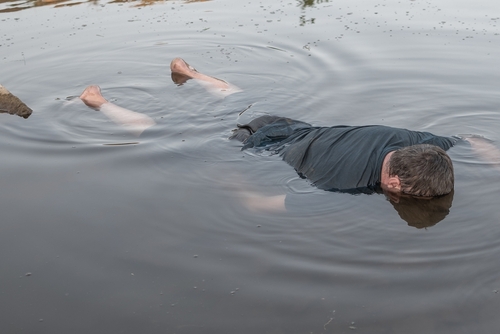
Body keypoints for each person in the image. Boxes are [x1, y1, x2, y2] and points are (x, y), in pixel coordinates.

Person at [79, 58, 499, 224]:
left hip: (290, 123)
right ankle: (97, 103)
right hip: (257, 144)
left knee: (239, 98)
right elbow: (258, 204)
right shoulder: (341, 187)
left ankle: (189, 73)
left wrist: (491, 158)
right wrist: (225, 178)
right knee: (157, 133)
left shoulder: (414, 139)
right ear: (392, 186)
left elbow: (471, 137)